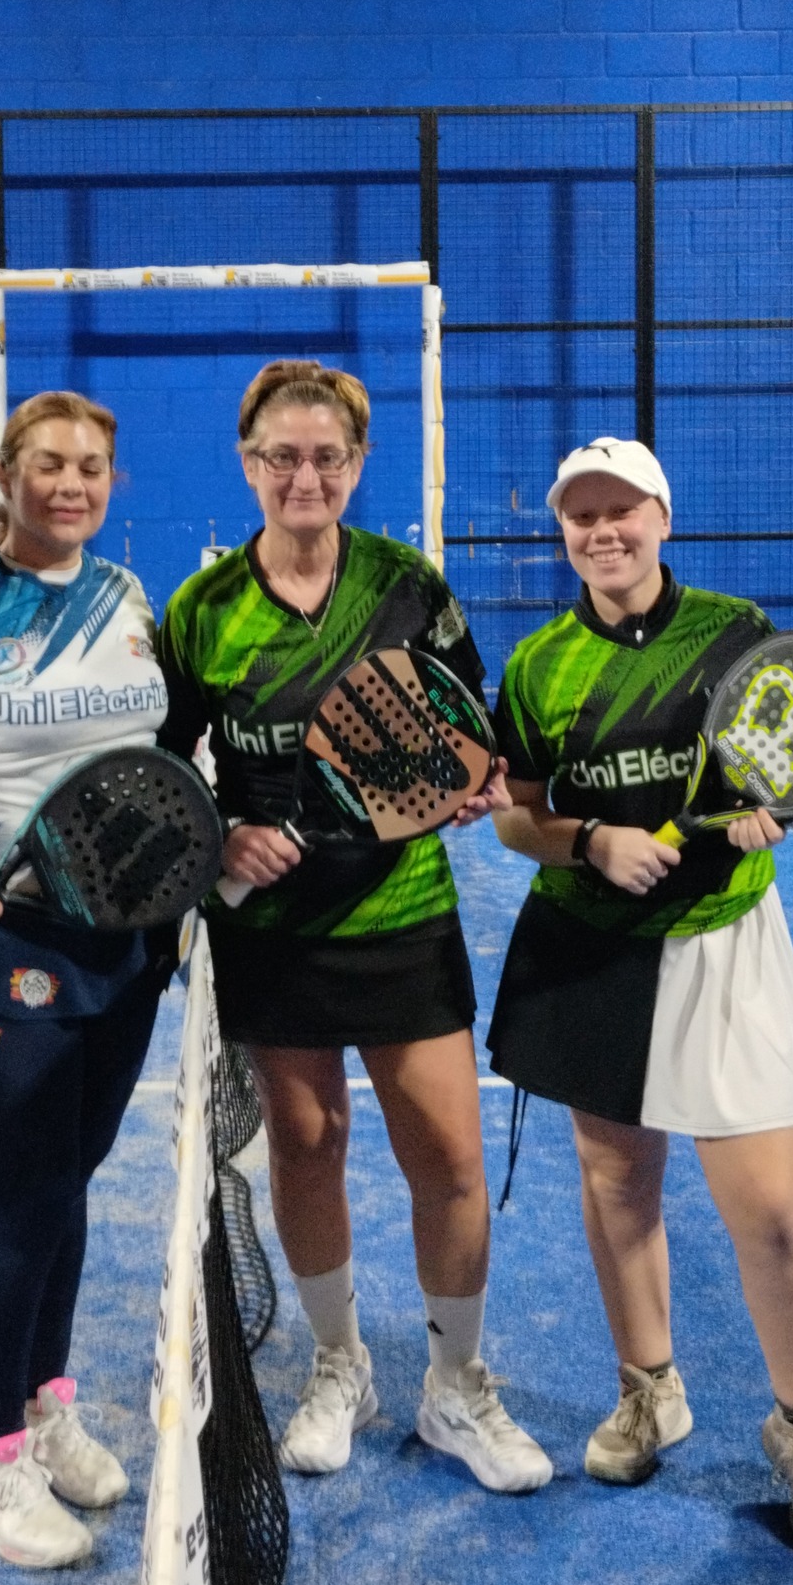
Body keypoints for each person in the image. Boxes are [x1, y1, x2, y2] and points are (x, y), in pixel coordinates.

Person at [157, 359, 550, 1495]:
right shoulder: (204, 611)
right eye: (282, 456)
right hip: (272, 928)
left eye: (327, 457)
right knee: (307, 1141)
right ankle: (341, 1364)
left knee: (450, 1156)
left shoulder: (408, 585)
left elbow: (466, 726)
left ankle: (456, 1383)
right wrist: (224, 837)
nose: (305, 476)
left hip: (401, 910)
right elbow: (166, 771)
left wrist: (474, 782)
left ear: (358, 462)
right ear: (249, 464)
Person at [487, 437, 793, 1558]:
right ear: (564, 531)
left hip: (722, 941)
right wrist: (588, 840)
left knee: (772, 1209)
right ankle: (649, 1389)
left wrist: (771, 810)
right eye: (582, 516)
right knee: (616, 1180)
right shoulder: (539, 664)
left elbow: (790, 755)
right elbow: (515, 815)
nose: (603, 531)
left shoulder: (736, 631)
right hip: (591, 948)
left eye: (623, 511)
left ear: (663, 518)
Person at [0, 390, 174, 1570]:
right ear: (6, 475)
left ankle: (45, 1402)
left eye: (91, 466)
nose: (71, 483)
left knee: (70, 1179)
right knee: (26, 1192)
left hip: (122, 940)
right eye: (49, 463)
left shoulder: (125, 598)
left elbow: (159, 755)